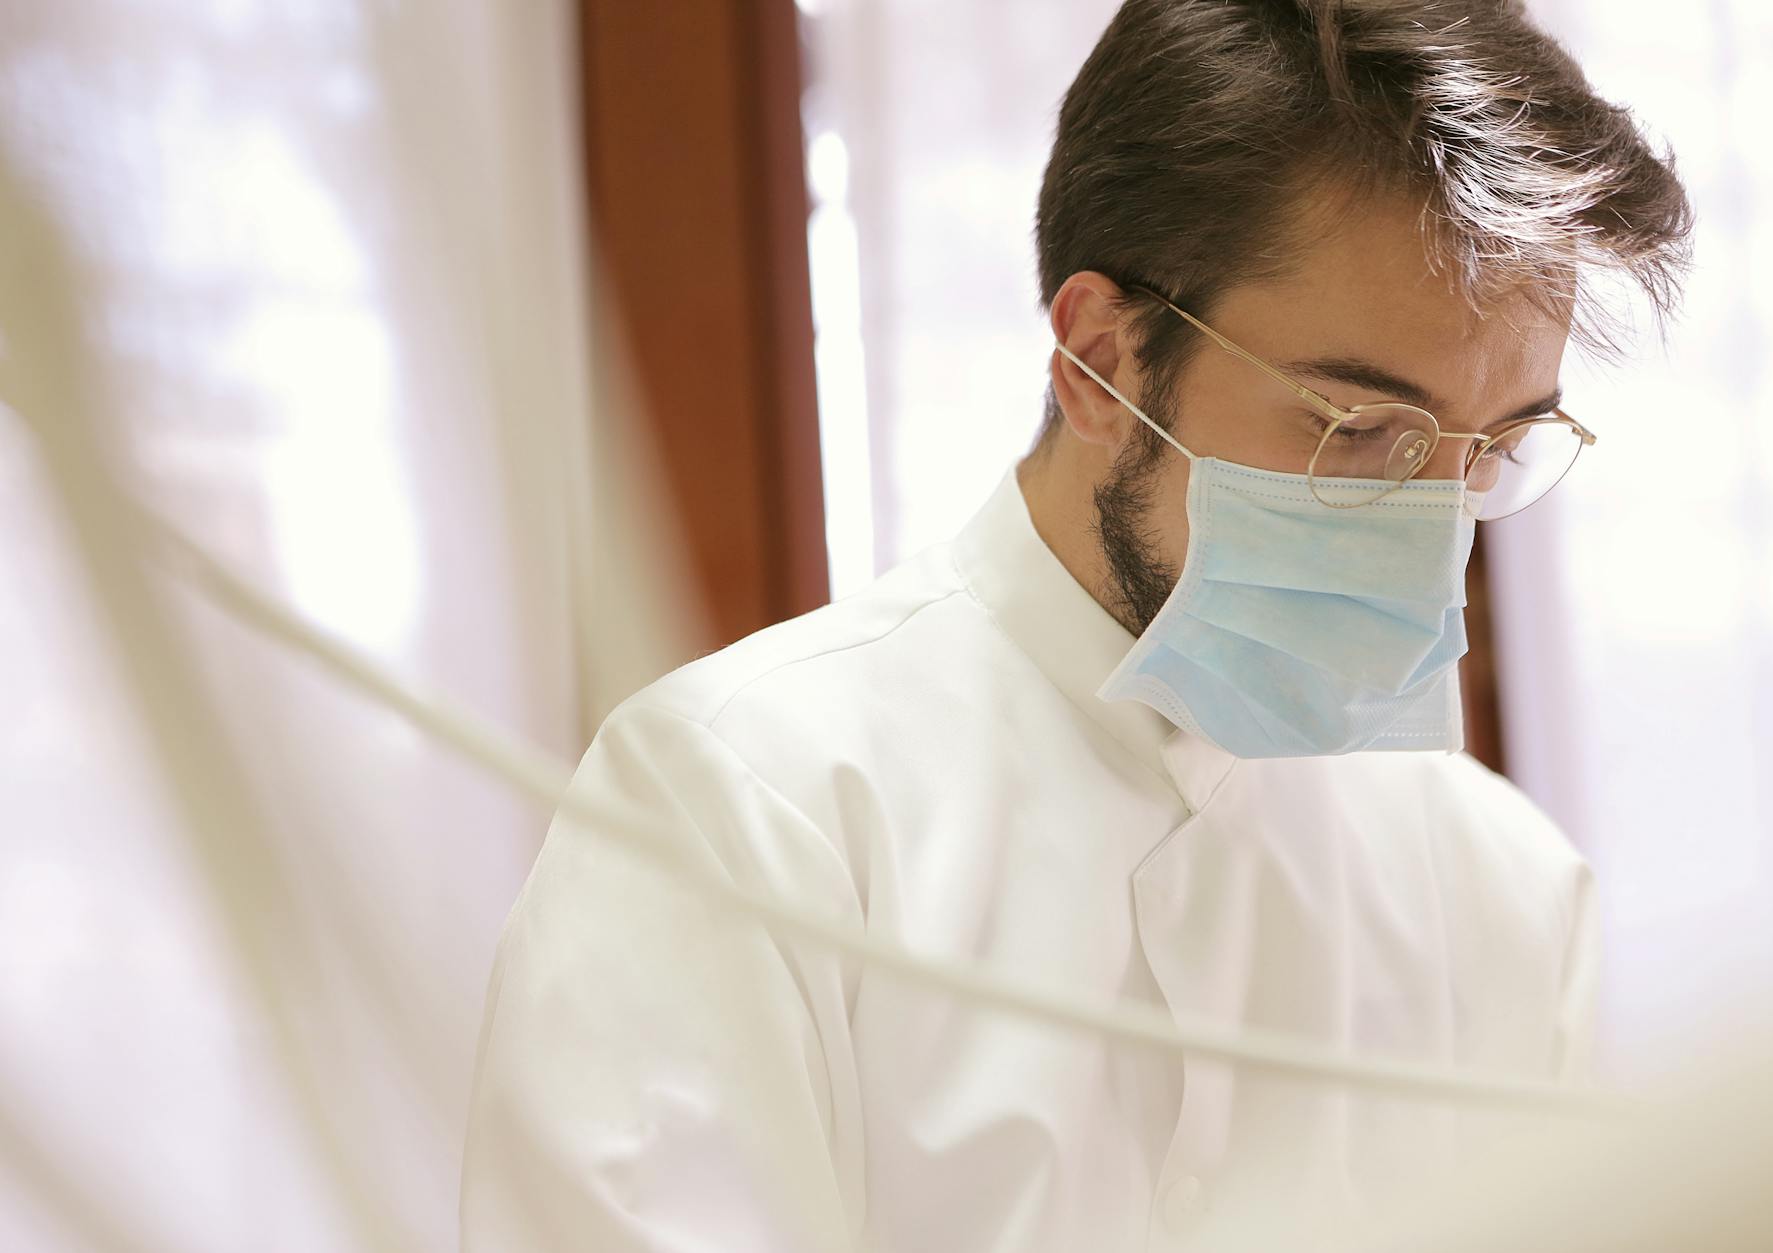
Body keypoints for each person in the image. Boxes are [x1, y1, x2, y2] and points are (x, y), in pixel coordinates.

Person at [460, 1, 1692, 1249]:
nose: (1434, 524)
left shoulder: (1496, 887)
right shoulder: (751, 806)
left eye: (1494, 447)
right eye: (1355, 431)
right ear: (1101, 359)